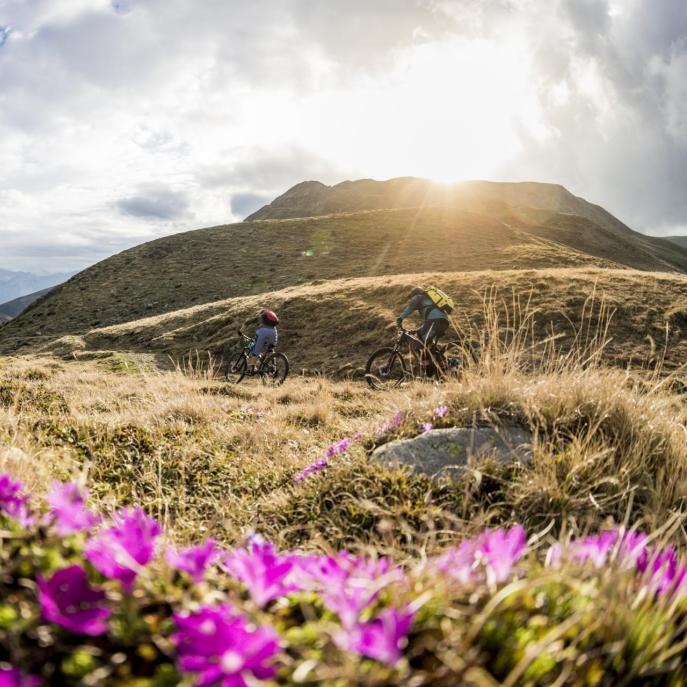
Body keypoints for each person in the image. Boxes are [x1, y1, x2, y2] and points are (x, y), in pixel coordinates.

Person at [396, 287, 450, 358]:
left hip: (435, 321)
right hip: (443, 322)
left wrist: (400, 318)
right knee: (423, 338)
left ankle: (425, 366)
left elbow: (409, 308)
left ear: (415, 294)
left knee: (417, 345)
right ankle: (438, 360)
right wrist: (416, 331)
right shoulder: (430, 301)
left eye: (411, 297)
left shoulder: (418, 297)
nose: (411, 299)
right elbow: (426, 325)